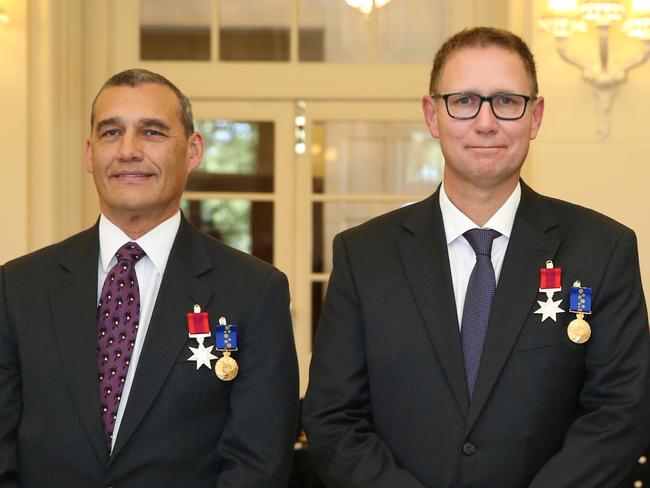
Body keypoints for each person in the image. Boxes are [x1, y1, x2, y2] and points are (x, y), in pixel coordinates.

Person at [302, 27, 650, 487]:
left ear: (536, 116)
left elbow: (620, 414)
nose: (485, 122)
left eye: (506, 101)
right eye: (464, 100)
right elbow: (332, 417)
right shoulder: (364, 256)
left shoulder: (603, 249)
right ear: (432, 115)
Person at [0, 69, 299, 487]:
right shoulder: (18, 288)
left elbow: (257, 463)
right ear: (89, 154)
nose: (128, 151)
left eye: (152, 132)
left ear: (194, 150)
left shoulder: (254, 291)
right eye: (110, 133)